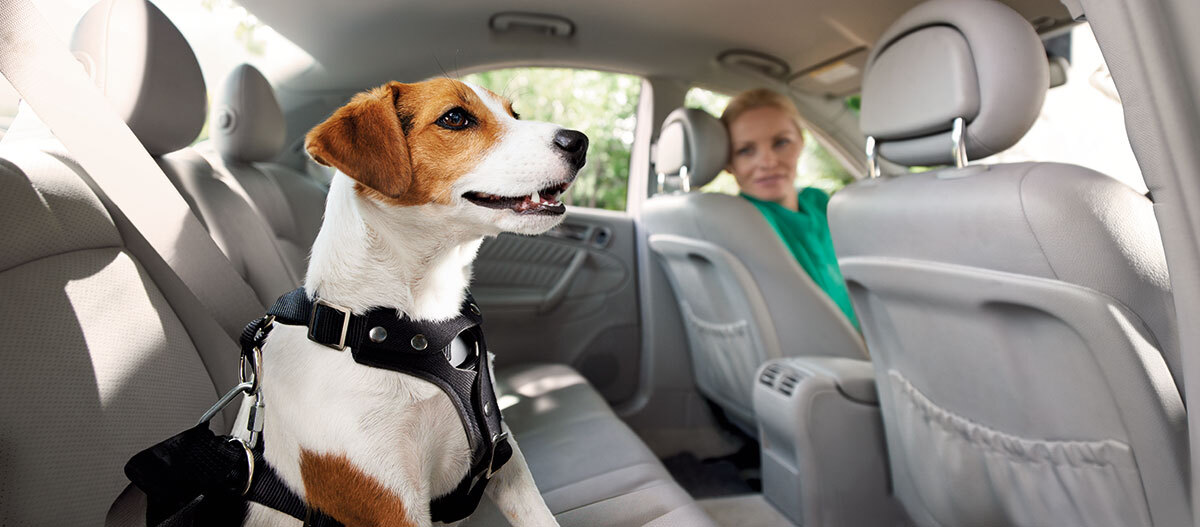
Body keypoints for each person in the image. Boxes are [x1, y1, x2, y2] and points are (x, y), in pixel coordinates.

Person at [721, 88, 858, 328]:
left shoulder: (819, 203)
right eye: (745, 150)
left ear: (801, 142)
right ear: (728, 163)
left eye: (781, 142)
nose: (768, 162)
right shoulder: (739, 222)